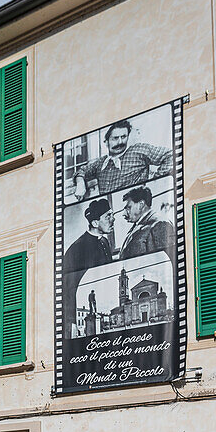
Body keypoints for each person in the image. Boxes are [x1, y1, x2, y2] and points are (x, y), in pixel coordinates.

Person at [73, 119, 172, 199]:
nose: (120, 142)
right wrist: (80, 183)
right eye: (115, 138)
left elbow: (170, 155)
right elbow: (82, 170)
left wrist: (156, 181)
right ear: (106, 142)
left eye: (123, 137)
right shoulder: (101, 162)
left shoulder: (138, 150)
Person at [61, 198, 114, 334]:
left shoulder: (104, 242)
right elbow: (68, 288)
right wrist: (71, 322)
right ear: (95, 223)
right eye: (108, 216)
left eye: (112, 215)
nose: (113, 219)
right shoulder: (77, 249)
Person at [120, 185, 176, 263]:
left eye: (128, 208)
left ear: (141, 204)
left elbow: (168, 262)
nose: (124, 214)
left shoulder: (160, 224)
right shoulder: (136, 226)